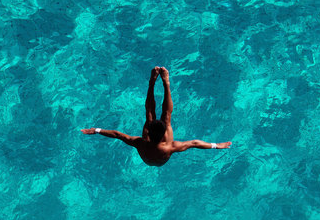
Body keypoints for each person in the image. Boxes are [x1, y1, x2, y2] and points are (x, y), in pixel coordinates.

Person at [81, 66, 232, 166]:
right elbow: (195, 144)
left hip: (148, 156)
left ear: (148, 133)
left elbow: (116, 134)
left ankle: (152, 83)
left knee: (149, 116)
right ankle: (166, 83)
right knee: (166, 116)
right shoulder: (169, 147)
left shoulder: (140, 142)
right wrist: (216, 145)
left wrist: (96, 130)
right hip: (159, 157)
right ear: (163, 135)